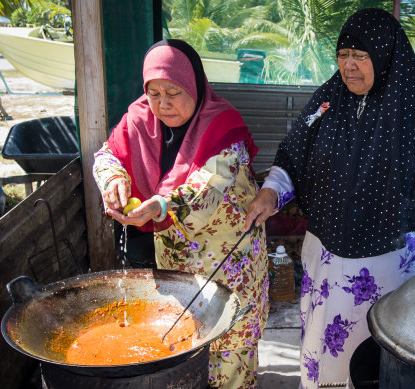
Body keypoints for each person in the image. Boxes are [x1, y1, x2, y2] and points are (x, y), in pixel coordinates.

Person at [244, 8, 415, 388]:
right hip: (327, 254)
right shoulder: (329, 98)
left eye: (360, 56)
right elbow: (292, 156)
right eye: (343, 55)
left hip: (390, 259)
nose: (349, 66)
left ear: (383, 56)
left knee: (378, 348)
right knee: (322, 340)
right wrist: (270, 192)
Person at [92, 39, 269, 389]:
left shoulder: (223, 125)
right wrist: (113, 179)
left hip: (229, 261)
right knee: (183, 342)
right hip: (175, 261)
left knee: (229, 348)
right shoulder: (139, 118)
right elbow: (107, 155)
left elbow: (208, 185)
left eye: (173, 91)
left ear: (194, 85)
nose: (162, 104)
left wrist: (158, 205)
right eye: (153, 92)